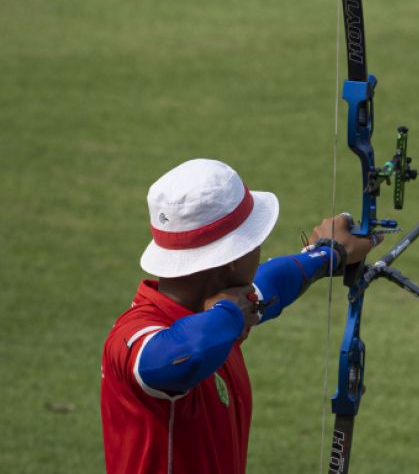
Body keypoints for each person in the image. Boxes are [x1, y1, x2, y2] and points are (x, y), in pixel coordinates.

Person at [101, 158, 380, 474]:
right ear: (232, 259)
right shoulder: (136, 336)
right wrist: (230, 314)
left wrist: (329, 253)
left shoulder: (212, 311)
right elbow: (177, 358)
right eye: (255, 243)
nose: (260, 251)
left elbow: (270, 283)